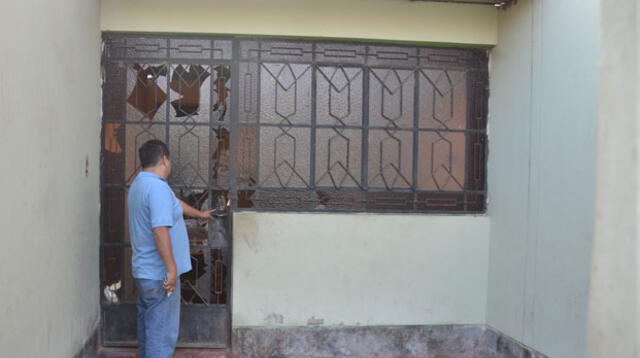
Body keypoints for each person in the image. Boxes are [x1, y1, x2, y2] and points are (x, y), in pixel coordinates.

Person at [127, 139, 214, 358]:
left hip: (145, 271)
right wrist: (172, 270)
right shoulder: (157, 189)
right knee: (161, 334)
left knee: (148, 327)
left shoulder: (140, 184)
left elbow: (175, 204)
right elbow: (159, 230)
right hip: (160, 275)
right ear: (165, 159)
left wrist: (201, 214)